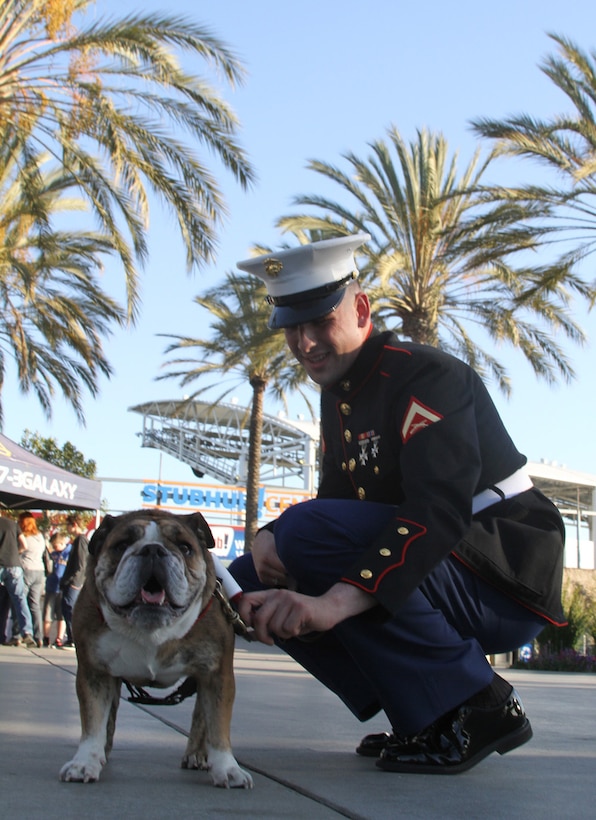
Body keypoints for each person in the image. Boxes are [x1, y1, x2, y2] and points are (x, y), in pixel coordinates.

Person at [229, 233, 566, 775]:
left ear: (361, 308)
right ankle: (427, 711)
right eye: (292, 327)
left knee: (303, 535)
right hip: (447, 566)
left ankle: (477, 703)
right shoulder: (341, 393)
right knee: (254, 574)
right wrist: (270, 533)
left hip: (502, 571)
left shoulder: (423, 373)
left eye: (320, 321)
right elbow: (335, 508)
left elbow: (439, 509)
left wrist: (332, 603)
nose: (306, 341)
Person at [0, 514, 36, 647]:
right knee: (20, 599)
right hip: (14, 566)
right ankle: (27, 632)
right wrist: (16, 553)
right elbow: (24, 545)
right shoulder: (12, 524)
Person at [17, 512, 47, 647]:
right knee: (35, 605)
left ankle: (19, 634)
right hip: (39, 571)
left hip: (26, 569)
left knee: (20, 601)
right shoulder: (40, 537)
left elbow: (20, 552)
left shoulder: (24, 537)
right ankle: (38, 636)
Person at [60, 514, 88, 649]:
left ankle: (74, 637)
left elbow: (81, 563)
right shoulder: (78, 540)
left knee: (70, 608)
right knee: (66, 607)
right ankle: (71, 637)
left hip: (74, 582)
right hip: (72, 581)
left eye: (68, 525)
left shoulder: (81, 540)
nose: (67, 528)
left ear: (74, 525)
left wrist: (75, 581)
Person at [43, 531, 71, 648]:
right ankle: (46, 637)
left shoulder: (68, 553)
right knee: (47, 614)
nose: (55, 548)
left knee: (61, 615)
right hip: (51, 586)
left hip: (62, 587)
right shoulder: (53, 554)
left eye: (56, 546)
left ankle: (59, 637)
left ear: (61, 543)